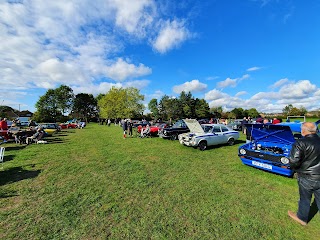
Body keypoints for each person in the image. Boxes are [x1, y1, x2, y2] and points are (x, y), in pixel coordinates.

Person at [288, 122, 320, 226]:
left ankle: (302, 218)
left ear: (303, 131)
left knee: (305, 199)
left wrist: (296, 169)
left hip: (306, 177)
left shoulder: (300, 143)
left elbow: (293, 161)